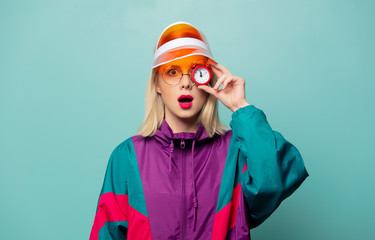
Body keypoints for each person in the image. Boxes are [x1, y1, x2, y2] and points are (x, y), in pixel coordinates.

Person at [89, 21, 309, 240]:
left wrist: (240, 107)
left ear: (208, 80)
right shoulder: (127, 156)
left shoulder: (237, 150)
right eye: (172, 72)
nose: (185, 83)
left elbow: (273, 183)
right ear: (157, 84)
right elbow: (106, 233)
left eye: (195, 71)